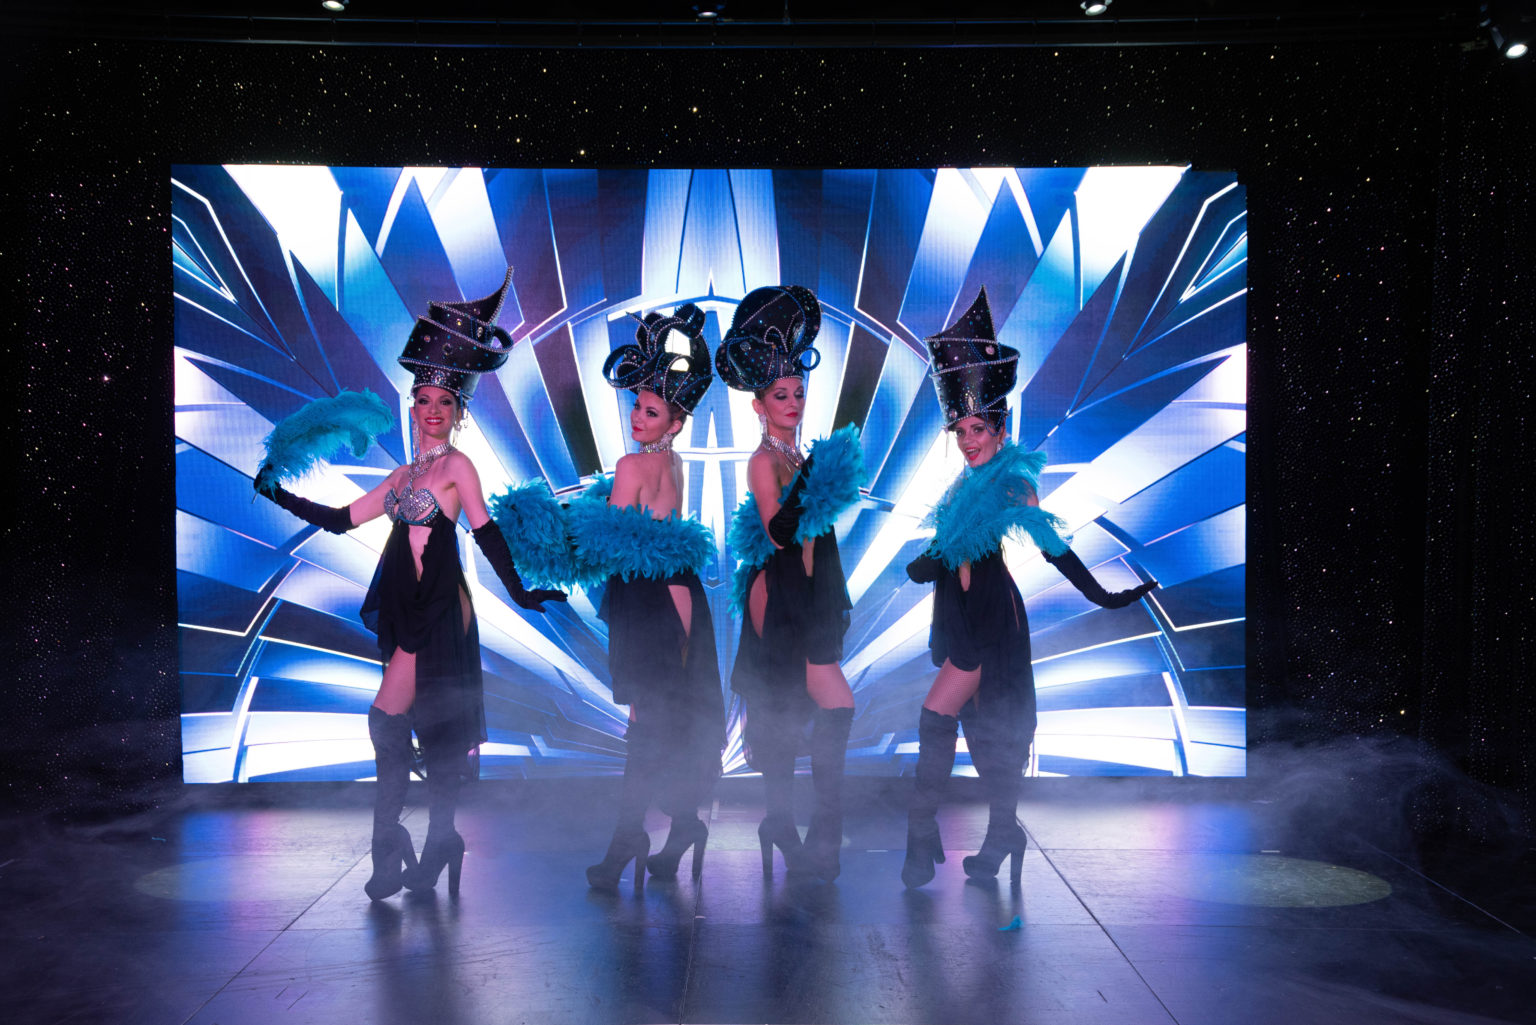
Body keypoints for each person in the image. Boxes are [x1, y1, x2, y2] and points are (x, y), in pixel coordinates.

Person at [254, 270, 565, 900]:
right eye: (423, 400)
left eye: (444, 402)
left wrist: (522, 592)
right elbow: (342, 520)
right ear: (413, 405)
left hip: (438, 608)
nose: (431, 411)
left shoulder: (457, 467)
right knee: (404, 725)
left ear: (459, 411)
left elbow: (486, 533)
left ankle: (407, 846)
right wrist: (278, 493)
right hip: (405, 604)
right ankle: (418, 842)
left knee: (409, 723)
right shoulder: (402, 475)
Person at [901, 288, 1158, 888]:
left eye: (978, 429)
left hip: (992, 621)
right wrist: (931, 562)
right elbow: (944, 556)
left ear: (999, 428)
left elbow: (1052, 545)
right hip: (960, 618)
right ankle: (1000, 835)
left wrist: (1101, 595)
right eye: (960, 430)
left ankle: (922, 833)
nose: (968, 440)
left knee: (947, 719)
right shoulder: (962, 487)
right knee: (982, 735)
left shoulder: (1013, 483)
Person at [571, 302, 725, 890]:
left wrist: (564, 527)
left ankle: (626, 842)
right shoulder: (673, 463)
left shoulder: (631, 465)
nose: (638, 416)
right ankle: (681, 826)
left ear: (675, 423)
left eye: (652, 411)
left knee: (647, 725)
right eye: (636, 405)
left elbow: (606, 539)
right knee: (663, 721)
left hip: (651, 604)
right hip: (682, 598)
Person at [717, 285, 866, 882]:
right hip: (780, 596)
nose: (794, 402)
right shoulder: (763, 462)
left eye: (799, 392)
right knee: (806, 704)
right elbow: (779, 533)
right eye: (780, 395)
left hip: (813, 593)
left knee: (792, 708)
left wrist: (813, 470)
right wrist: (816, 474)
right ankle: (814, 833)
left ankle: (786, 823)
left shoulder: (801, 461)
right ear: (758, 404)